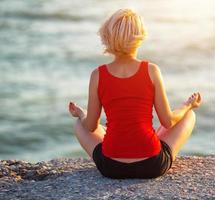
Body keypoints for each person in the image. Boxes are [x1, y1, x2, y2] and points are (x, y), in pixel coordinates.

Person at [68, 8, 201, 179]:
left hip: (111, 167)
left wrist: (81, 113)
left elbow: (90, 127)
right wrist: (188, 105)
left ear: (107, 37)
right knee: (188, 116)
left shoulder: (97, 75)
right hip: (151, 165)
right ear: (139, 38)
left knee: (80, 124)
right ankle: (153, 137)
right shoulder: (152, 71)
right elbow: (167, 121)